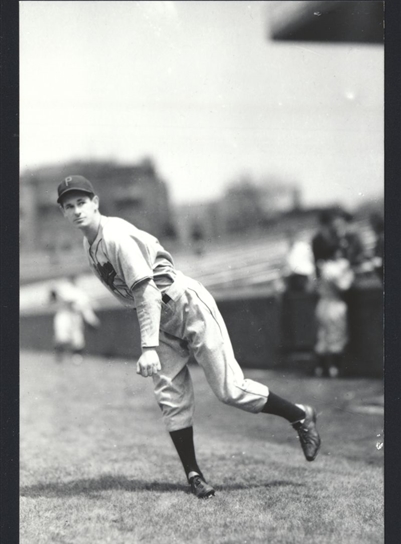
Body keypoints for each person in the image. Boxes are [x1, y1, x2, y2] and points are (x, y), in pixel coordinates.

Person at [56, 175, 321, 499]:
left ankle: (299, 416)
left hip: (184, 306)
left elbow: (148, 293)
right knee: (171, 400)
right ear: (64, 213)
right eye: (69, 206)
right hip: (161, 321)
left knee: (230, 390)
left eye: (81, 202)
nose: (77, 210)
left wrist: (149, 346)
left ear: (95, 202)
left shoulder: (115, 237)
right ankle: (194, 474)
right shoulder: (89, 242)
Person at [311, 208, 360, 378]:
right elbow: (344, 286)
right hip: (335, 304)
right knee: (336, 337)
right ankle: (334, 369)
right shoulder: (335, 268)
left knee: (322, 337)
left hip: (322, 304)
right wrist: (349, 273)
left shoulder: (322, 267)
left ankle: (319, 369)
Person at [49, 276, 100, 364]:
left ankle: (77, 357)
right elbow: (53, 293)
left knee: (77, 340)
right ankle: (59, 354)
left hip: (76, 317)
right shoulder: (64, 288)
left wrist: (92, 320)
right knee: (62, 337)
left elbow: (86, 309)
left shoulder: (81, 293)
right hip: (64, 315)